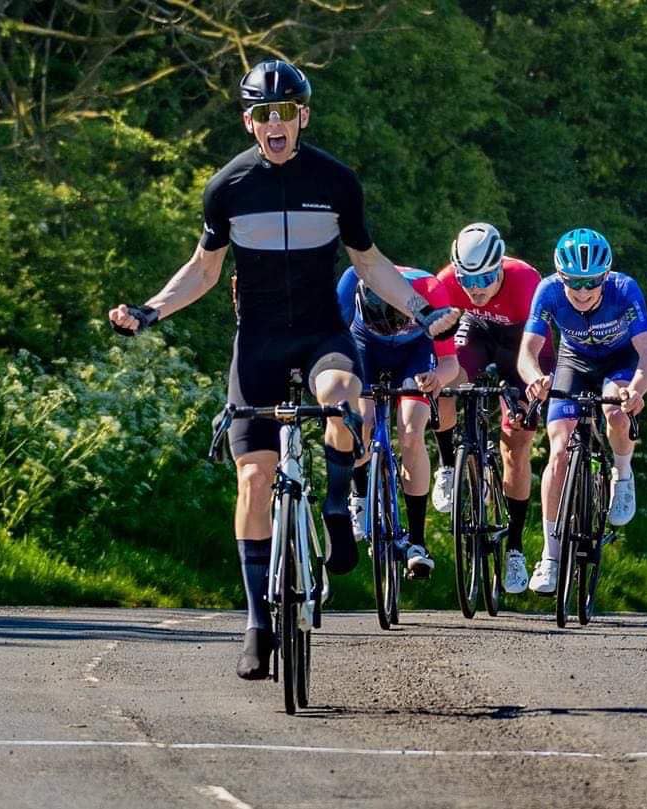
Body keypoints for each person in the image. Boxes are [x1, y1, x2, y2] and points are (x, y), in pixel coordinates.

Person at [108, 60, 455, 680]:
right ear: (248, 121)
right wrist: (151, 310)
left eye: (286, 111)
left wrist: (422, 309)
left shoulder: (336, 180)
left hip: (322, 334)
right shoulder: (228, 187)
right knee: (253, 477)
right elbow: (204, 271)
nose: (276, 123)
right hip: (259, 344)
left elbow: (370, 263)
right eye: (263, 114)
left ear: (303, 116)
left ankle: (334, 505)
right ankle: (257, 623)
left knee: (343, 394)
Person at [518, 228, 647, 594]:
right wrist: (534, 378)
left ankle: (622, 475)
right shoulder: (547, 291)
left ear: (605, 276)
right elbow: (528, 352)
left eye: (591, 283)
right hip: (574, 361)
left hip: (620, 361)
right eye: (574, 283)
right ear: (560, 276)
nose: (582, 292)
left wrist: (636, 390)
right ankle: (549, 557)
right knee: (559, 450)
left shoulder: (625, 289)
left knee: (615, 411)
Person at [431, 223, 554, 594]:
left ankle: (515, 547)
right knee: (446, 384)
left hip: (522, 342)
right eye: (467, 279)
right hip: (476, 332)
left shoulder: (526, 281)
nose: (476, 287)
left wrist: (527, 391)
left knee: (516, 443)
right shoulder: (447, 282)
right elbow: (437, 343)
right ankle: (448, 464)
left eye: (485, 277)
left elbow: (537, 347)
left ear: (500, 266)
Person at [337, 265, 459, 577]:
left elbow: (449, 363)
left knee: (411, 429)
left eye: (397, 323)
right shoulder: (353, 279)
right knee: (359, 419)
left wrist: (436, 380)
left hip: (414, 352)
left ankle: (417, 541)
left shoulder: (430, 291)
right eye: (384, 324)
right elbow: (333, 342)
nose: (391, 329)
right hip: (364, 346)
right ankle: (359, 496)